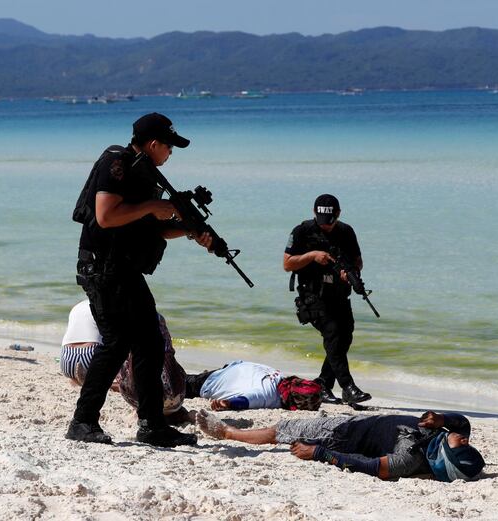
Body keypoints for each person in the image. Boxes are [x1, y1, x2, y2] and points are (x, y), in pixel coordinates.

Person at [66, 113, 212, 447]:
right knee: (117, 342)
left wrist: (192, 231)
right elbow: (105, 216)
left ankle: (152, 425)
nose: (171, 153)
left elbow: (154, 227)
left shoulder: (145, 175)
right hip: (102, 267)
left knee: (149, 341)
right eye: (169, 147)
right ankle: (83, 421)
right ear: (154, 144)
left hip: (124, 268)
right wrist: (152, 206)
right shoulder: (117, 162)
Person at [196, 409, 485, 482]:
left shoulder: (408, 459)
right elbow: (463, 423)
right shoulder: (439, 434)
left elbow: (370, 467)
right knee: (287, 427)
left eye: (463, 444)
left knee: (283, 430)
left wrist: (319, 453)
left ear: (449, 455)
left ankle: (228, 433)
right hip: (363, 420)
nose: (465, 439)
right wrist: (442, 418)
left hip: (342, 434)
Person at [283, 194, 371, 405]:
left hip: (339, 295)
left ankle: (322, 384)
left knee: (345, 336)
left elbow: (357, 261)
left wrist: (349, 273)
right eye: (323, 222)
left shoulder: (346, 231)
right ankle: (348, 387)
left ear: (338, 214)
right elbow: (287, 264)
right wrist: (312, 256)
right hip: (313, 297)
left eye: (331, 222)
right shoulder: (302, 231)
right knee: (332, 334)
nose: (327, 227)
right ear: (315, 213)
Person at [61, 300, 192, 424]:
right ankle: (100, 382)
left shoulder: (84, 305)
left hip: (66, 358)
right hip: (93, 355)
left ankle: (85, 379)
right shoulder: (135, 312)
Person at [185, 361, 321, 412]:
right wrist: (227, 404)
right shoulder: (268, 394)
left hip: (229, 369)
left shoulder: (281, 378)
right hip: (209, 383)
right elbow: (245, 401)